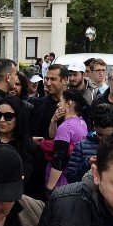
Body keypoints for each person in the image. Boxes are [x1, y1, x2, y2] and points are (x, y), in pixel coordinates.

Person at [27, 64, 68, 200]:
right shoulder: (38, 104)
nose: (48, 83)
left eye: (53, 79)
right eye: (46, 79)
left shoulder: (78, 106)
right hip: (39, 167)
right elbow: (31, 131)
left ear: (65, 80)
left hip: (65, 169)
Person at [0, 95, 33, 181]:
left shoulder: (26, 145)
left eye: (8, 116)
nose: (1, 120)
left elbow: (25, 174)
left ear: (19, 118)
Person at [44, 88, 88, 194]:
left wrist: (50, 187)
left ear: (69, 103)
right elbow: (53, 136)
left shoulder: (66, 127)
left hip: (61, 183)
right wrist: (53, 121)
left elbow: (60, 158)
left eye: (61, 101)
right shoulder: (81, 122)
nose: (58, 105)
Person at [66, 103, 113, 184]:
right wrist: (87, 164)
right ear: (94, 126)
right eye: (100, 134)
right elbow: (71, 179)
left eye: (109, 135)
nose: (104, 140)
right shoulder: (81, 146)